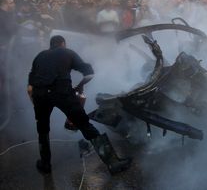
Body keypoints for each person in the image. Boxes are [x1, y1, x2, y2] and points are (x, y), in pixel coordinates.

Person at [27, 36, 131, 174]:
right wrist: (79, 87)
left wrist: (37, 104)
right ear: (63, 44)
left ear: (50, 45)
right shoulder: (67, 52)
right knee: (84, 125)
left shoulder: (39, 56)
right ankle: (113, 163)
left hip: (39, 94)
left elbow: (30, 88)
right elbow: (89, 74)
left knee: (43, 130)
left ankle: (45, 164)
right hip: (62, 93)